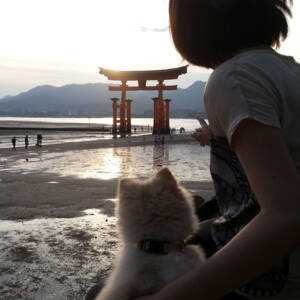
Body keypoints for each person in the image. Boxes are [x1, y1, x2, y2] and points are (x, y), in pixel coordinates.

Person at [132, 0, 300, 300]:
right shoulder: (289, 70)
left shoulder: (233, 78)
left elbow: (286, 213)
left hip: (268, 276)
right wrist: (219, 137)